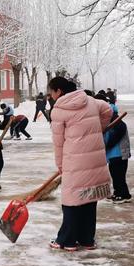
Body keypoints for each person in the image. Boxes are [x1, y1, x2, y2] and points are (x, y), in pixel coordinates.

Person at [48, 77, 112, 252]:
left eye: (51, 92)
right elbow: (108, 111)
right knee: (89, 199)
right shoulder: (91, 101)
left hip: (74, 161)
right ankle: (86, 239)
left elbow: (59, 142)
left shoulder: (58, 110)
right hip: (94, 160)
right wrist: (97, 128)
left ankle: (67, 241)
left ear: (59, 91)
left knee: (71, 200)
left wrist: (60, 164)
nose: (51, 96)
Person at [104, 104, 132, 203]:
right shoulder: (110, 124)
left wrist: (105, 146)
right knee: (115, 175)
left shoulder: (119, 124)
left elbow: (113, 140)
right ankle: (120, 193)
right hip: (113, 155)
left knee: (118, 176)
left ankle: (122, 195)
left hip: (119, 155)